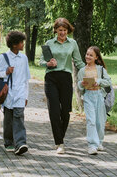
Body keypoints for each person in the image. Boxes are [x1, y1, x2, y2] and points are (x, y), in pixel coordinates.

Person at [39, 17, 85, 154]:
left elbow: (79, 62)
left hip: (65, 78)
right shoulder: (49, 43)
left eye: (65, 30)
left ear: (68, 30)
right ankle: (59, 143)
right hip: (51, 77)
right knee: (54, 111)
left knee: (65, 111)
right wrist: (48, 64)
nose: (62, 33)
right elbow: (41, 61)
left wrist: (91, 72)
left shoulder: (73, 43)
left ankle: (60, 137)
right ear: (55, 30)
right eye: (60, 30)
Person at [0, 31, 31, 156]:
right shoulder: (3, 57)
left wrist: (26, 95)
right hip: (8, 94)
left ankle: (21, 143)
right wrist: (5, 71)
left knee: (19, 117)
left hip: (20, 94)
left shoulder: (24, 58)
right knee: (8, 119)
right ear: (14, 44)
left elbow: (26, 79)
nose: (23, 44)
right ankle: (8, 142)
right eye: (21, 42)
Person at [77, 46, 111, 155]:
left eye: (91, 55)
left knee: (99, 121)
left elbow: (108, 82)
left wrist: (99, 81)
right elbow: (79, 85)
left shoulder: (101, 69)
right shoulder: (82, 71)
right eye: (87, 54)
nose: (88, 56)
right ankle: (92, 145)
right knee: (91, 121)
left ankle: (99, 142)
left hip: (99, 96)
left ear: (96, 57)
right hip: (88, 96)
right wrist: (81, 84)